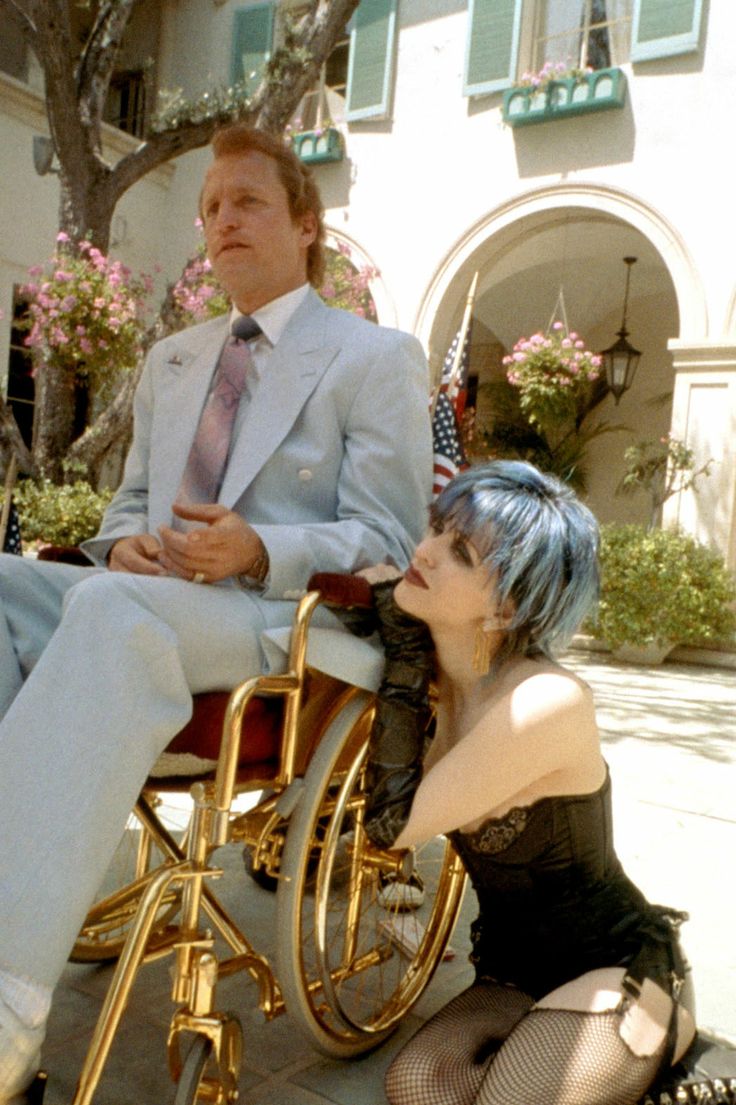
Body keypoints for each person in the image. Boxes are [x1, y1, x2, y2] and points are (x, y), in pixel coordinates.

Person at [0, 124, 432, 1101]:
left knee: (112, 615)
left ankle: (10, 1001)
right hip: (149, 595)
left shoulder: (374, 356)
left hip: (279, 621)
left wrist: (260, 546)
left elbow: (390, 538)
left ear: (306, 223)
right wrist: (123, 543)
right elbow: (127, 508)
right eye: (208, 208)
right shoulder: (174, 360)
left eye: (246, 201)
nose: (221, 220)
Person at [367, 460, 696, 1105]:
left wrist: (402, 649)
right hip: (512, 973)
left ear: (507, 606)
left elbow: (392, 826)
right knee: (415, 1087)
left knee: (505, 1100)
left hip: (615, 968)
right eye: (436, 527)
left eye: (460, 552)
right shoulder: (449, 677)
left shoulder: (546, 701)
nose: (425, 552)